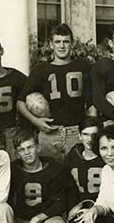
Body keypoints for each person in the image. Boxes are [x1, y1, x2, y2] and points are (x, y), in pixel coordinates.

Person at [18, 23, 95, 163]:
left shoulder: (83, 65)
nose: (62, 46)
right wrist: (36, 121)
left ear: (72, 43)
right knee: (51, 176)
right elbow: (20, 102)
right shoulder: (41, 69)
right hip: (49, 133)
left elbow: (92, 101)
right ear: (51, 44)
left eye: (66, 42)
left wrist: (91, 128)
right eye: (57, 42)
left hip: (76, 131)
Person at [9, 130, 69, 223]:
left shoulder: (55, 169)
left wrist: (37, 219)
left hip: (47, 220)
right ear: (17, 154)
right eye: (21, 150)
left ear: (38, 148)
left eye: (30, 147)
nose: (27, 153)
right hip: (22, 222)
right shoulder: (12, 169)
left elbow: (61, 203)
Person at [62, 116, 104, 223]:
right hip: (79, 213)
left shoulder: (107, 156)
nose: (89, 139)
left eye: (94, 135)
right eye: (85, 134)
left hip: (102, 212)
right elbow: (69, 191)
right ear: (79, 136)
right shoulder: (73, 156)